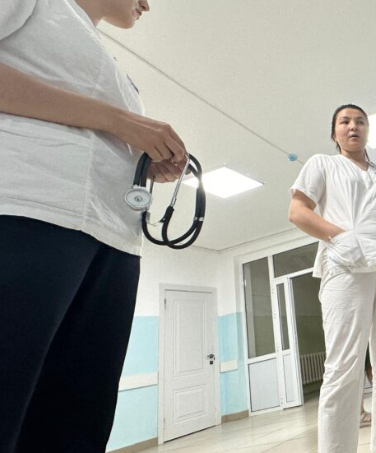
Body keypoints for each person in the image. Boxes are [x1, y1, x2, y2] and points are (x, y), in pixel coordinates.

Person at [0, 0, 188, 451]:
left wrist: (142, 158)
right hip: (29, 214)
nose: (147, 4)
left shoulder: (110, 61)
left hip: (114, 241)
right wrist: (118, 120)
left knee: (76, 422)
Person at [288, 104, 376, 453]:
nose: (353, 126)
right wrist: (342, 238)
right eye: (344, 121)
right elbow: (298, 211)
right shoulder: (323, 164)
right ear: (335, 133)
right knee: (345, 365)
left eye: (360, 121)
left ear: (368, 130)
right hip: (346, 266)